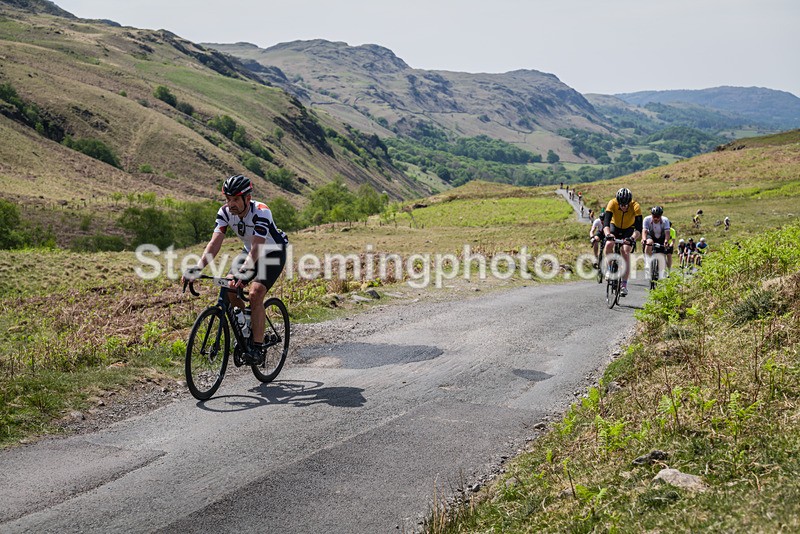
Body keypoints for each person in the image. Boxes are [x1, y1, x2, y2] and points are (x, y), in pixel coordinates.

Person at [181, 174, 289, 364]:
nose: (231, 204)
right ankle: (246, 327)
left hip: (272, 252)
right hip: (249, 252)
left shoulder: (262, 212)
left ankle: (257, 347)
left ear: (247, 198)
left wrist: (244, 271)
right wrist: (197, 267)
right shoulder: (224, 212)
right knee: (230, 287)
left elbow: (258, 246)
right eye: (228, 199)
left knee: (255, 293)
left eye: (236, 199)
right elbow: (214, 243)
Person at [602, 187, 642, 296]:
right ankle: (609, 268)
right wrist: (608, 235)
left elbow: (638, 229)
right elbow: (606, 223)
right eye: (621, 205)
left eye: (626, 205)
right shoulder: (612, 203)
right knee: (609, 244)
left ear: (629, 202)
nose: (623, 207)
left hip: (629, 229)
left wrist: (632, 238)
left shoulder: (636, 206)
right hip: (614, 226)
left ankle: (624, 285)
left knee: (625, 250)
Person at [642, 206, 671, 281]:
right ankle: (647, 263)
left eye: (658, 217)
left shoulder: (665, 220)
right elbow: (644, 231)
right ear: (651, 215)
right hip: (651, 236)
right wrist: (644, 239)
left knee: (662, 256)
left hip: (661, 237)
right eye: (654, 216)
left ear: (661, 216)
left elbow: (667, 233)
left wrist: (666, 241)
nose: (656, 218)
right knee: (649, 242)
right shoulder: (646, 219)